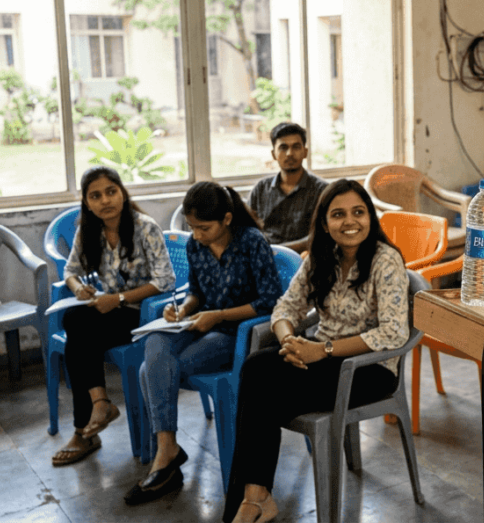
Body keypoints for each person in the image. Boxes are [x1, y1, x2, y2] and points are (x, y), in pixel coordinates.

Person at [221, 179, 410, 523]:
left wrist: (322, 350)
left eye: (358, 212)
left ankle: (251, 503)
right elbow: (286, 307)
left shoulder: (386, 260)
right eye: (338, 214)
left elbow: (393, 333)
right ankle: (254, 498)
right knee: (256, 368)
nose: (350, 221)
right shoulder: (321, 258)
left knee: (259, 393)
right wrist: (289, 342)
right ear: (324, 223)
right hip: (321, 358)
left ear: (370, 217)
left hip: (370, 369)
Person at [125, 181, 283, 506]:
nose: (196, 235)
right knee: (155, 340)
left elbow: (269, 301)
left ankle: (166, 458)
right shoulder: (196, 246)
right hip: (201, 323)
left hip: (237, 334)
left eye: (204, 228)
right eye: (192, 227)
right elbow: (195, 291)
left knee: (149, 372)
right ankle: (168, 449)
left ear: (227, 219)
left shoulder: (251, 242)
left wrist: (219, 315)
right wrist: (182, 310)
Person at [51, 166, 176, 467]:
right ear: (86, 202)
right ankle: (100, 403)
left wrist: (118, 299)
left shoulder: (145, 227)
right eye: (95, 196)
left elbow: (165, 281)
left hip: (143, 313)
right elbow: (70, 271)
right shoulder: (88, 230)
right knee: (76, 324)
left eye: (111, 192)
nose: (105, 200)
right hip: (108, 312)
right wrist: (79, 288)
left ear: (122, 192)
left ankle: (85, 430)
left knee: (78, 334)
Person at [248, 122, 329, 253]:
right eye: (283, 148)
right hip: (263, 256)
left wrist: (281, 251)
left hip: (303, 258)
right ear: (273, 154)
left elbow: (322, 235)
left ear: (305, 152)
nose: (290, 153)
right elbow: (248, 230)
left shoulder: (322, 190)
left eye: (296, 147)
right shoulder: (260, 189)